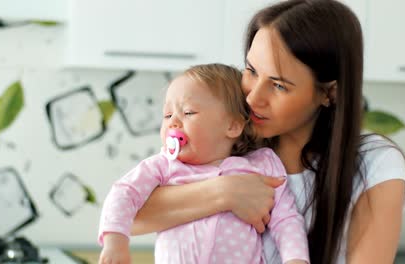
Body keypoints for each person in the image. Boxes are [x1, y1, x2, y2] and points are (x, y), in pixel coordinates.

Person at [130, 1, 405, 264]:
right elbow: (131, 214)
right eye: (251, 71)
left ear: (329, 93)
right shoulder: (220, 140)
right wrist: (226, 192)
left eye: (278, 85)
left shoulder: (374, 162)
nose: (253, 98)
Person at [98, 63, 310, 264]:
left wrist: (295, 259)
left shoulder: (261, 165)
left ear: (233, 125)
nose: (173, 122)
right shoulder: (162, 166)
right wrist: (115, 240)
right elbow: (124, 193)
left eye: (188, 112)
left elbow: (286, 220)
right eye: (167, 115)